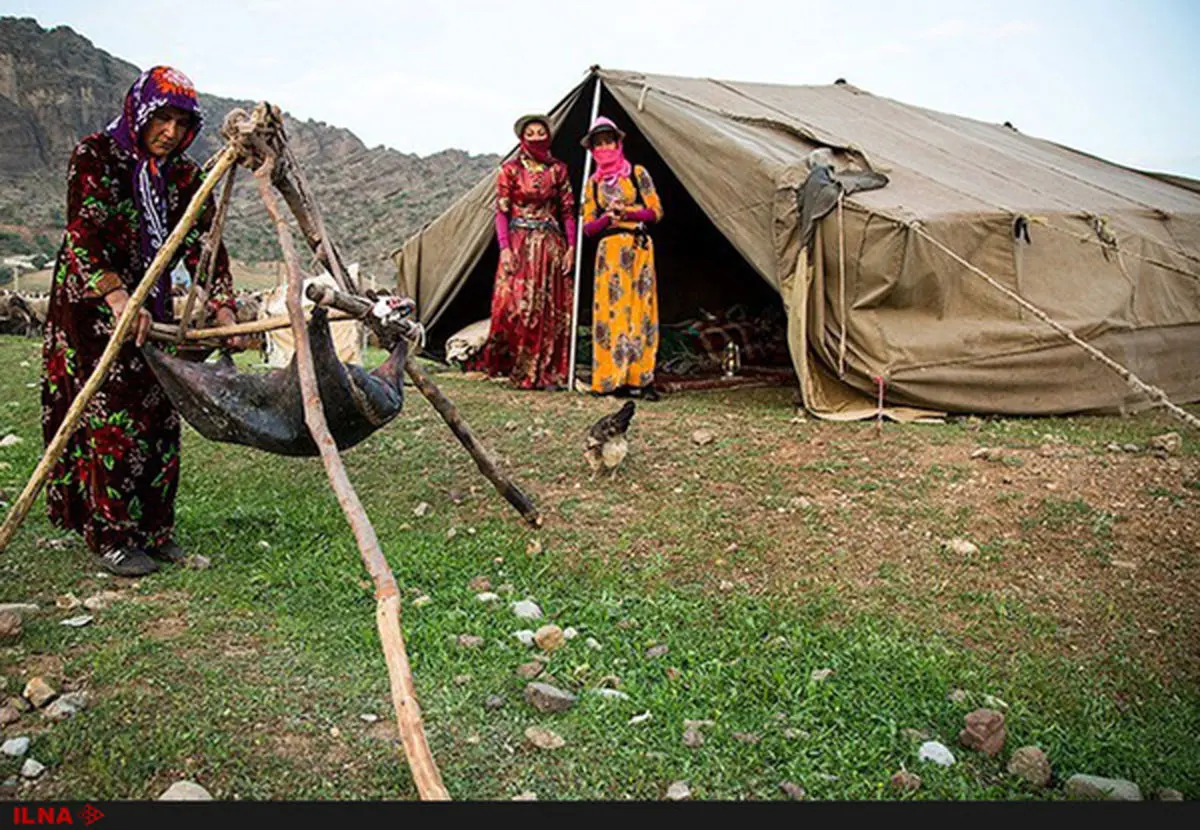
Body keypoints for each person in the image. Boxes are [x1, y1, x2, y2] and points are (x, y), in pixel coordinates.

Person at [40, 66, 247, 577]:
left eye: (182, 124)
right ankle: (110, 536)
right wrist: (115, 298)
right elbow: (84, 233)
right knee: (110, 418)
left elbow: (207, 242)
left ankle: (155, 532)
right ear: (141, 112)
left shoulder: (183, 176)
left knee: (160, 414)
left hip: (151, 308)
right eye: (163, 120)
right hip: (90, 308)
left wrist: (222, 304)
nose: (171, 133)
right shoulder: (95, 157)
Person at [479, 114, 577, 390]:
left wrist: (571, 247)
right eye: (530, 133)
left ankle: (547, 370)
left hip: (550, 243)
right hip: (519, 241)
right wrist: (505, 248)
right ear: (522, 137)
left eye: (540, 132)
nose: (536, 137)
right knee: (514, 306)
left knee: (549, 308)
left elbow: (568, 211)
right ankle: (514, 366)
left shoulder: (558, 170)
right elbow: (502, 211)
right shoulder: (509, 169)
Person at [581, 117, 664, 400]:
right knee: (611, 314)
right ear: (592, 150)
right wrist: (608, 218)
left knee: (640, 310)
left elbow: (656, 211)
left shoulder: (637, 174)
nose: (605, 147)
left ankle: (641, 378)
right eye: (598, 143)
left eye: (609, 141)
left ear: (618, 143)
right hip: (609, 251)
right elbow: (588, 227)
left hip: (637, 247)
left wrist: (628, 213)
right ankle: (611, 379)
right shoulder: (592, 184)